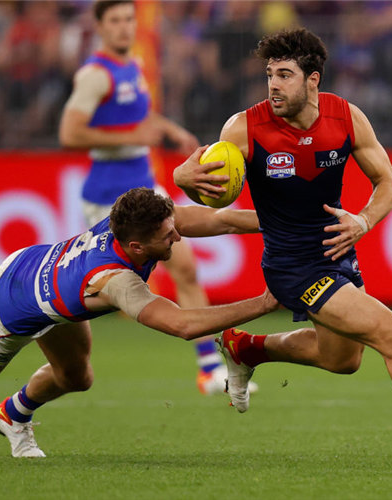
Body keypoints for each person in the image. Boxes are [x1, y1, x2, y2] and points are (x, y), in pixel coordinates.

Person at [173, 28, 392, 464]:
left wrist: (363, 220)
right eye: (269, 74)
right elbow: (213, 194)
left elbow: (389, 183)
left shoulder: (345, 117)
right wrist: (181, 180)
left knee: (342, 359)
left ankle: (247, 347)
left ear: (313, 80)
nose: (273, 85)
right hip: (292, 266)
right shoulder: (244, 128)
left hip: (338, 252)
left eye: (284, 75)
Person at [0, 185, 278, 458]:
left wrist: (287, 225)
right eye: (167, 236)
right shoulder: (115, 280)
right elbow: (181, 325)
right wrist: (263, 302)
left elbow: (222, 220)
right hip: (9, 303)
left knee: (77, 377)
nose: (176, 235)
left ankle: (12, 416)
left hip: (49, 280)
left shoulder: (136, 219)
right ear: (137, 247)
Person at [59, 0, 242, 396]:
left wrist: (170, 129)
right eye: (116, 21)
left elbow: (139, 119)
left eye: (129, 19)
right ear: (100, 26)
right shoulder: (95, 75)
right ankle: (55, 356)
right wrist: (131, 137)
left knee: (186, 270)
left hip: (145, 188)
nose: (125, 27)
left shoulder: (134, 65)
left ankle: (210, 369)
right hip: (109, 201)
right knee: (101, 296)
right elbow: (70, 134)